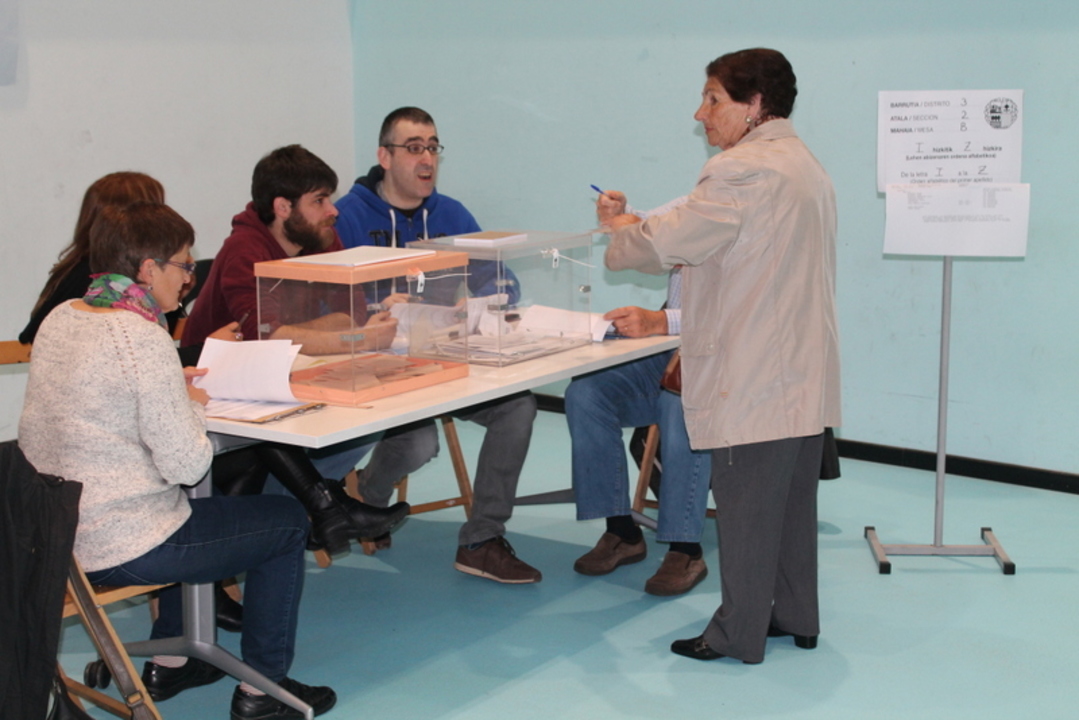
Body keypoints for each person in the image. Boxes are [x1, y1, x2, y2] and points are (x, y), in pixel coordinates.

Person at [19, 201, 338, 718]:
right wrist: (191, 403)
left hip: (57, 534)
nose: (190, 278)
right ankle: (264, 689)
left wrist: (171, 382)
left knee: (191, 511)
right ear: (149, 270)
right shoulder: (141, 337)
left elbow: (104, 394)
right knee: (286, 521)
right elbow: (188, 466)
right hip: (119, 543)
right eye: (185, 265)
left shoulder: (65, 315)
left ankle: (172, 660)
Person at [599, 48, 840, 664]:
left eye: (713, 99)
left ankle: (738, 633)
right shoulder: (805, 164)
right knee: (790, 509)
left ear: (754, 104)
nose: (700, 113)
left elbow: (670, 241)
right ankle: (796, 616)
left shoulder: (740, 170)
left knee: (747, 512)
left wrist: (622, 233)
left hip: (753, 373)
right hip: (801, 372)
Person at [334, 107, 541, 584]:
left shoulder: (451, 214)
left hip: (446, 361)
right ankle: (370, 497)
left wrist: (483, 299)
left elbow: (503, 279)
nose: (426, 158)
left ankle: (482, 540)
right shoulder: (347, 217)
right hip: (378, 364)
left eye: (432, 147)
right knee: (418, 440)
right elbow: (329, 302)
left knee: (518, 407)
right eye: (413, 148)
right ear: (384, 156)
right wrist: (377, 308)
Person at [181, 145, 411, 557]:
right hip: (218, 397)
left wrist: (306, 333)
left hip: (293, 375)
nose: (333, 211)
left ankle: (313, 508)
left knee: (369, 413)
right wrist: (353, 340)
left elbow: (351, 314)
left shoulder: (320, 236)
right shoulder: (244, 250)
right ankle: (311, 510)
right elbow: (267, 337)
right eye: (319, 200)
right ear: (283, 207)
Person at [567, 265, 713, 596]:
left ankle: (686, 549)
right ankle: (622, 531)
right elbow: (650, 245)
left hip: (720, 354)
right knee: (586, 393)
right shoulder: (683, 228)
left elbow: (731, 316)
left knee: (679, 403)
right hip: (672, 348)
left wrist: (659, 321)